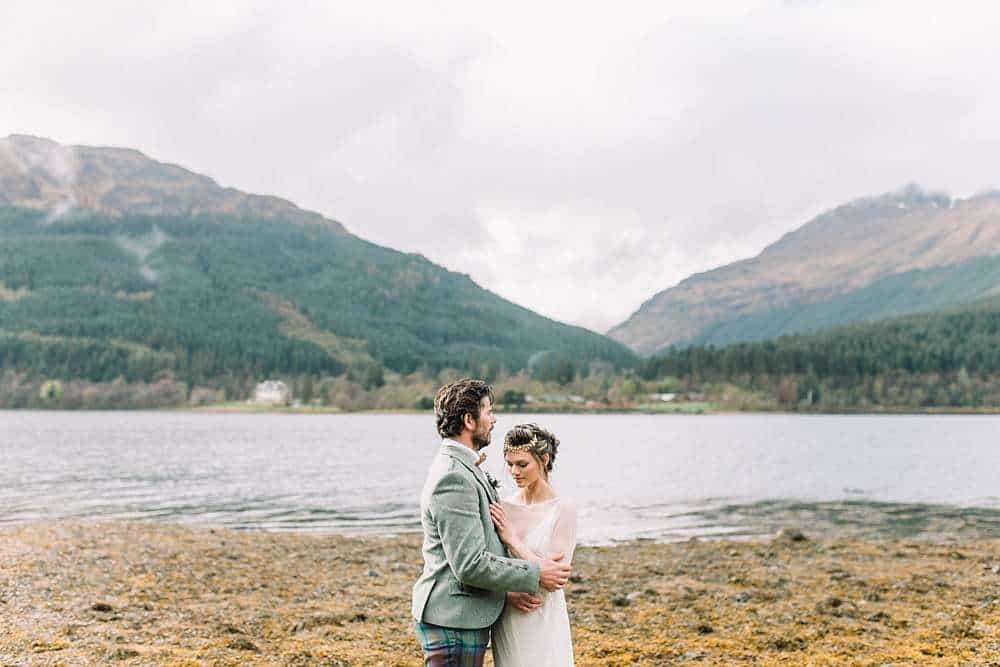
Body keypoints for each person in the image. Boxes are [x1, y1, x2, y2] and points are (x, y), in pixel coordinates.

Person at [412, 379, 572, 666]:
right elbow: (469, 564)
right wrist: (535, 573)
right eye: (488, 411)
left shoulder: (463, 468)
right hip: (452, 619)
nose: (494, 418)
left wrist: (505, 592)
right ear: (469, 420)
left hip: (464, 616)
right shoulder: (454, 476)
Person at [489, 423, 577, 666]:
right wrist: (505, 595)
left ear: (544, 459)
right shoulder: (503, 508)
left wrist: (512, 540)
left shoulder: (564, 509)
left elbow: (553, 579)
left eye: (522, 464)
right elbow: (492, 564)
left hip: (543, 615)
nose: (514, 471)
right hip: (510, 616)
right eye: (510, 464)